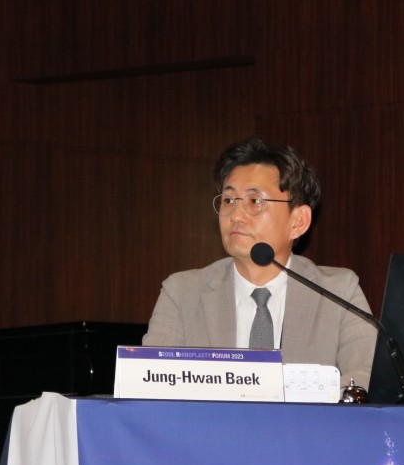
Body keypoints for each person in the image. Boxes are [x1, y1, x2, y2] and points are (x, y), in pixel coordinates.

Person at [142, 138, 378, 389]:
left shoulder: (338, 293)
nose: (236, 216)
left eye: (254, 201)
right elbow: (150, 385)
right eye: (229, 200)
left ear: (298, 221)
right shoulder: (182, 293)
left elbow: (366, 379)